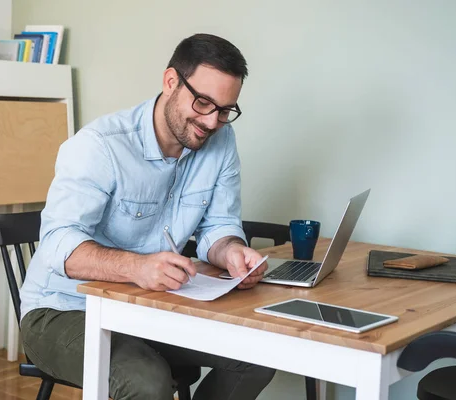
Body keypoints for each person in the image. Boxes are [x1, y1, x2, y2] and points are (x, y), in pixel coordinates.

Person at [20, 33, 275, 400]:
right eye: (203, 102)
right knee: (146, 380)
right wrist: (137, 267)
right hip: (62, 310)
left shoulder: (221, 141)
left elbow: (219, 227)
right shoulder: (100, 146)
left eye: (224, 110)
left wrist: (231, 251)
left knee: (260, 351)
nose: (212, 122)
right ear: (171, 81)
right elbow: (59, 245)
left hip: (152, 308)